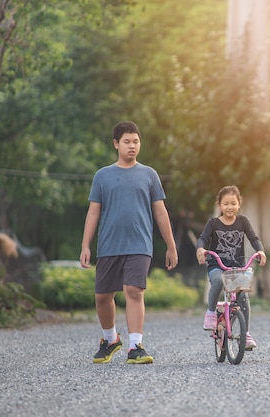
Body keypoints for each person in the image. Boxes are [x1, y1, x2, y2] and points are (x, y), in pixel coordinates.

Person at [80, 121, 178, 365]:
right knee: (102, 297)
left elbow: (161, 212)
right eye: (127, 142)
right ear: (116, 144)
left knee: (133, 291)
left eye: (136, 141)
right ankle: (110, 339)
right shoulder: (102, 176)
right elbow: (93, 212)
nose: (132, 146)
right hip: (109, 245)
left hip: (139, 244)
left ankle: (135, 345)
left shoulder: (149, 175)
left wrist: (171, 245)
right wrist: (85, 245)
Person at [195, 185, 267, 350]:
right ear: (219, 205)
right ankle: (211, 313)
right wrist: (201, 249)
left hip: (236, 268)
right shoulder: (213, 223)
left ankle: (246, 333)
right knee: (218, 282)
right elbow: (202, 239)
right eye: (226, 203)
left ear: (239, 204)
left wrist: (260, 251)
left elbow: (254, 238)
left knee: (242, 297)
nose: (230, 207)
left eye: (233, 203)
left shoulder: (243, 222)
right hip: (217, 266)